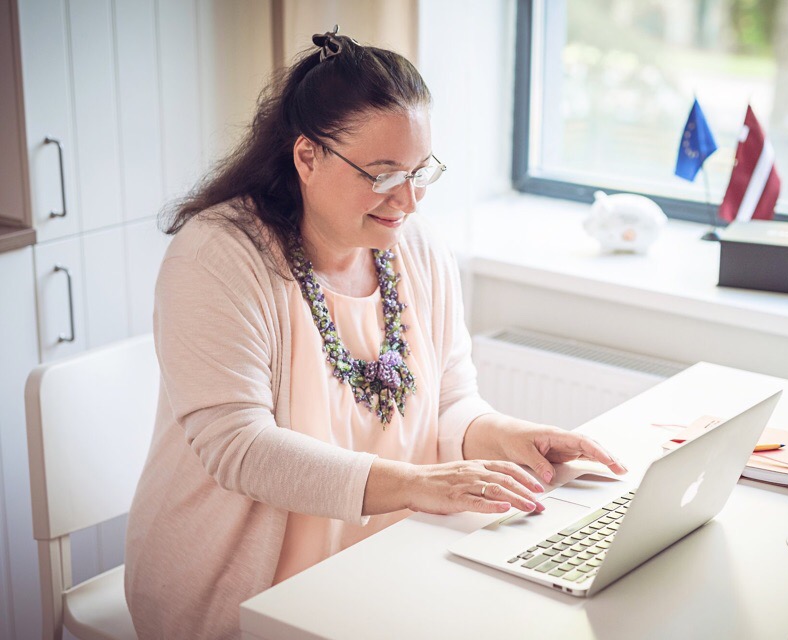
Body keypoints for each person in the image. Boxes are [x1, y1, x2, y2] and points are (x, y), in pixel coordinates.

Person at [124, 27, 626, 639]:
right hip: (242, 598)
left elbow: (449, 402)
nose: (408, 201)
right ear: (307, 157)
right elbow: (241, 449)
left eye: (420, 172)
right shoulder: (218, 258)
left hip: (381, 570)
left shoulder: (417, 247)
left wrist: (506, 435)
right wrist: (416, 485)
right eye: (384, 175)